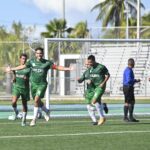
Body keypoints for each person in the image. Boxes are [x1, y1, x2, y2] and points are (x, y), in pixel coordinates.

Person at [6, 47, 73, 126]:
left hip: (42, 84)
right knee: (37, 101)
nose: (39, 54)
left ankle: (34, 119)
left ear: (43, 54)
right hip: (33, 85)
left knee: (37, 99)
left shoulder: (47, 63)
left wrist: (68, 68)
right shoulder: (31, 62)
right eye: (37, 53)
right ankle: (47, 111)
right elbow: (22, 67)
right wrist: (11, 69)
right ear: (35, 54)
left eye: (40, 53)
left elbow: (57, 67)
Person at [77, 60, 109, 125]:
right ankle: (95, 120)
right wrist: (78, 79)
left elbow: (102, 77)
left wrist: (93, 82)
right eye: (86, 64)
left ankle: (102, 111)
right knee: (88, 107)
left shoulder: (96, 70)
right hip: (89, 91)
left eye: (88, 64)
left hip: (94, 90)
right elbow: (81, 80)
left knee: (93, 104)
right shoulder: (86, 72)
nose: (87, 66)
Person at [86, 55, 110, 125]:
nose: (89, 64)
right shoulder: (90, 69)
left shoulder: (101, 67)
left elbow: (108, 75)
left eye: (90, 62)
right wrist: (90, 81)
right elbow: (91, 77)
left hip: (100, 87)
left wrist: (103, 83)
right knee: (96, 104)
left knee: (94, 101)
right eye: (88, 62)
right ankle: (103, 111)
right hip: (94, 88)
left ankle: (102, 117)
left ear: (94, 61)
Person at [11, 53, 30, 126]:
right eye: (22, 58)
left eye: (25, 59)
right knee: (13, 102)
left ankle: (24, 120)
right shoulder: (16, 68)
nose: (24, 60)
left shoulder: (28, 69)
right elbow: (14, 76)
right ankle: (17, 113)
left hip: (25, 89)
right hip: (17, 87)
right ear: (20, 59)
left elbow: (32, 78)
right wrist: (13, 79)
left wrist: (27, 78)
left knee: (24, 105)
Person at [123, 58, 140, 122]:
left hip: (128, 87)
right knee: (127, 102)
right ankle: (125, 117)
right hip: (128, 87)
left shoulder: (128, 70)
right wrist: (136, 80)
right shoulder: (128, 70)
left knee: (132, 102)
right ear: (132, 63)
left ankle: (130, 117)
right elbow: (128, 80)